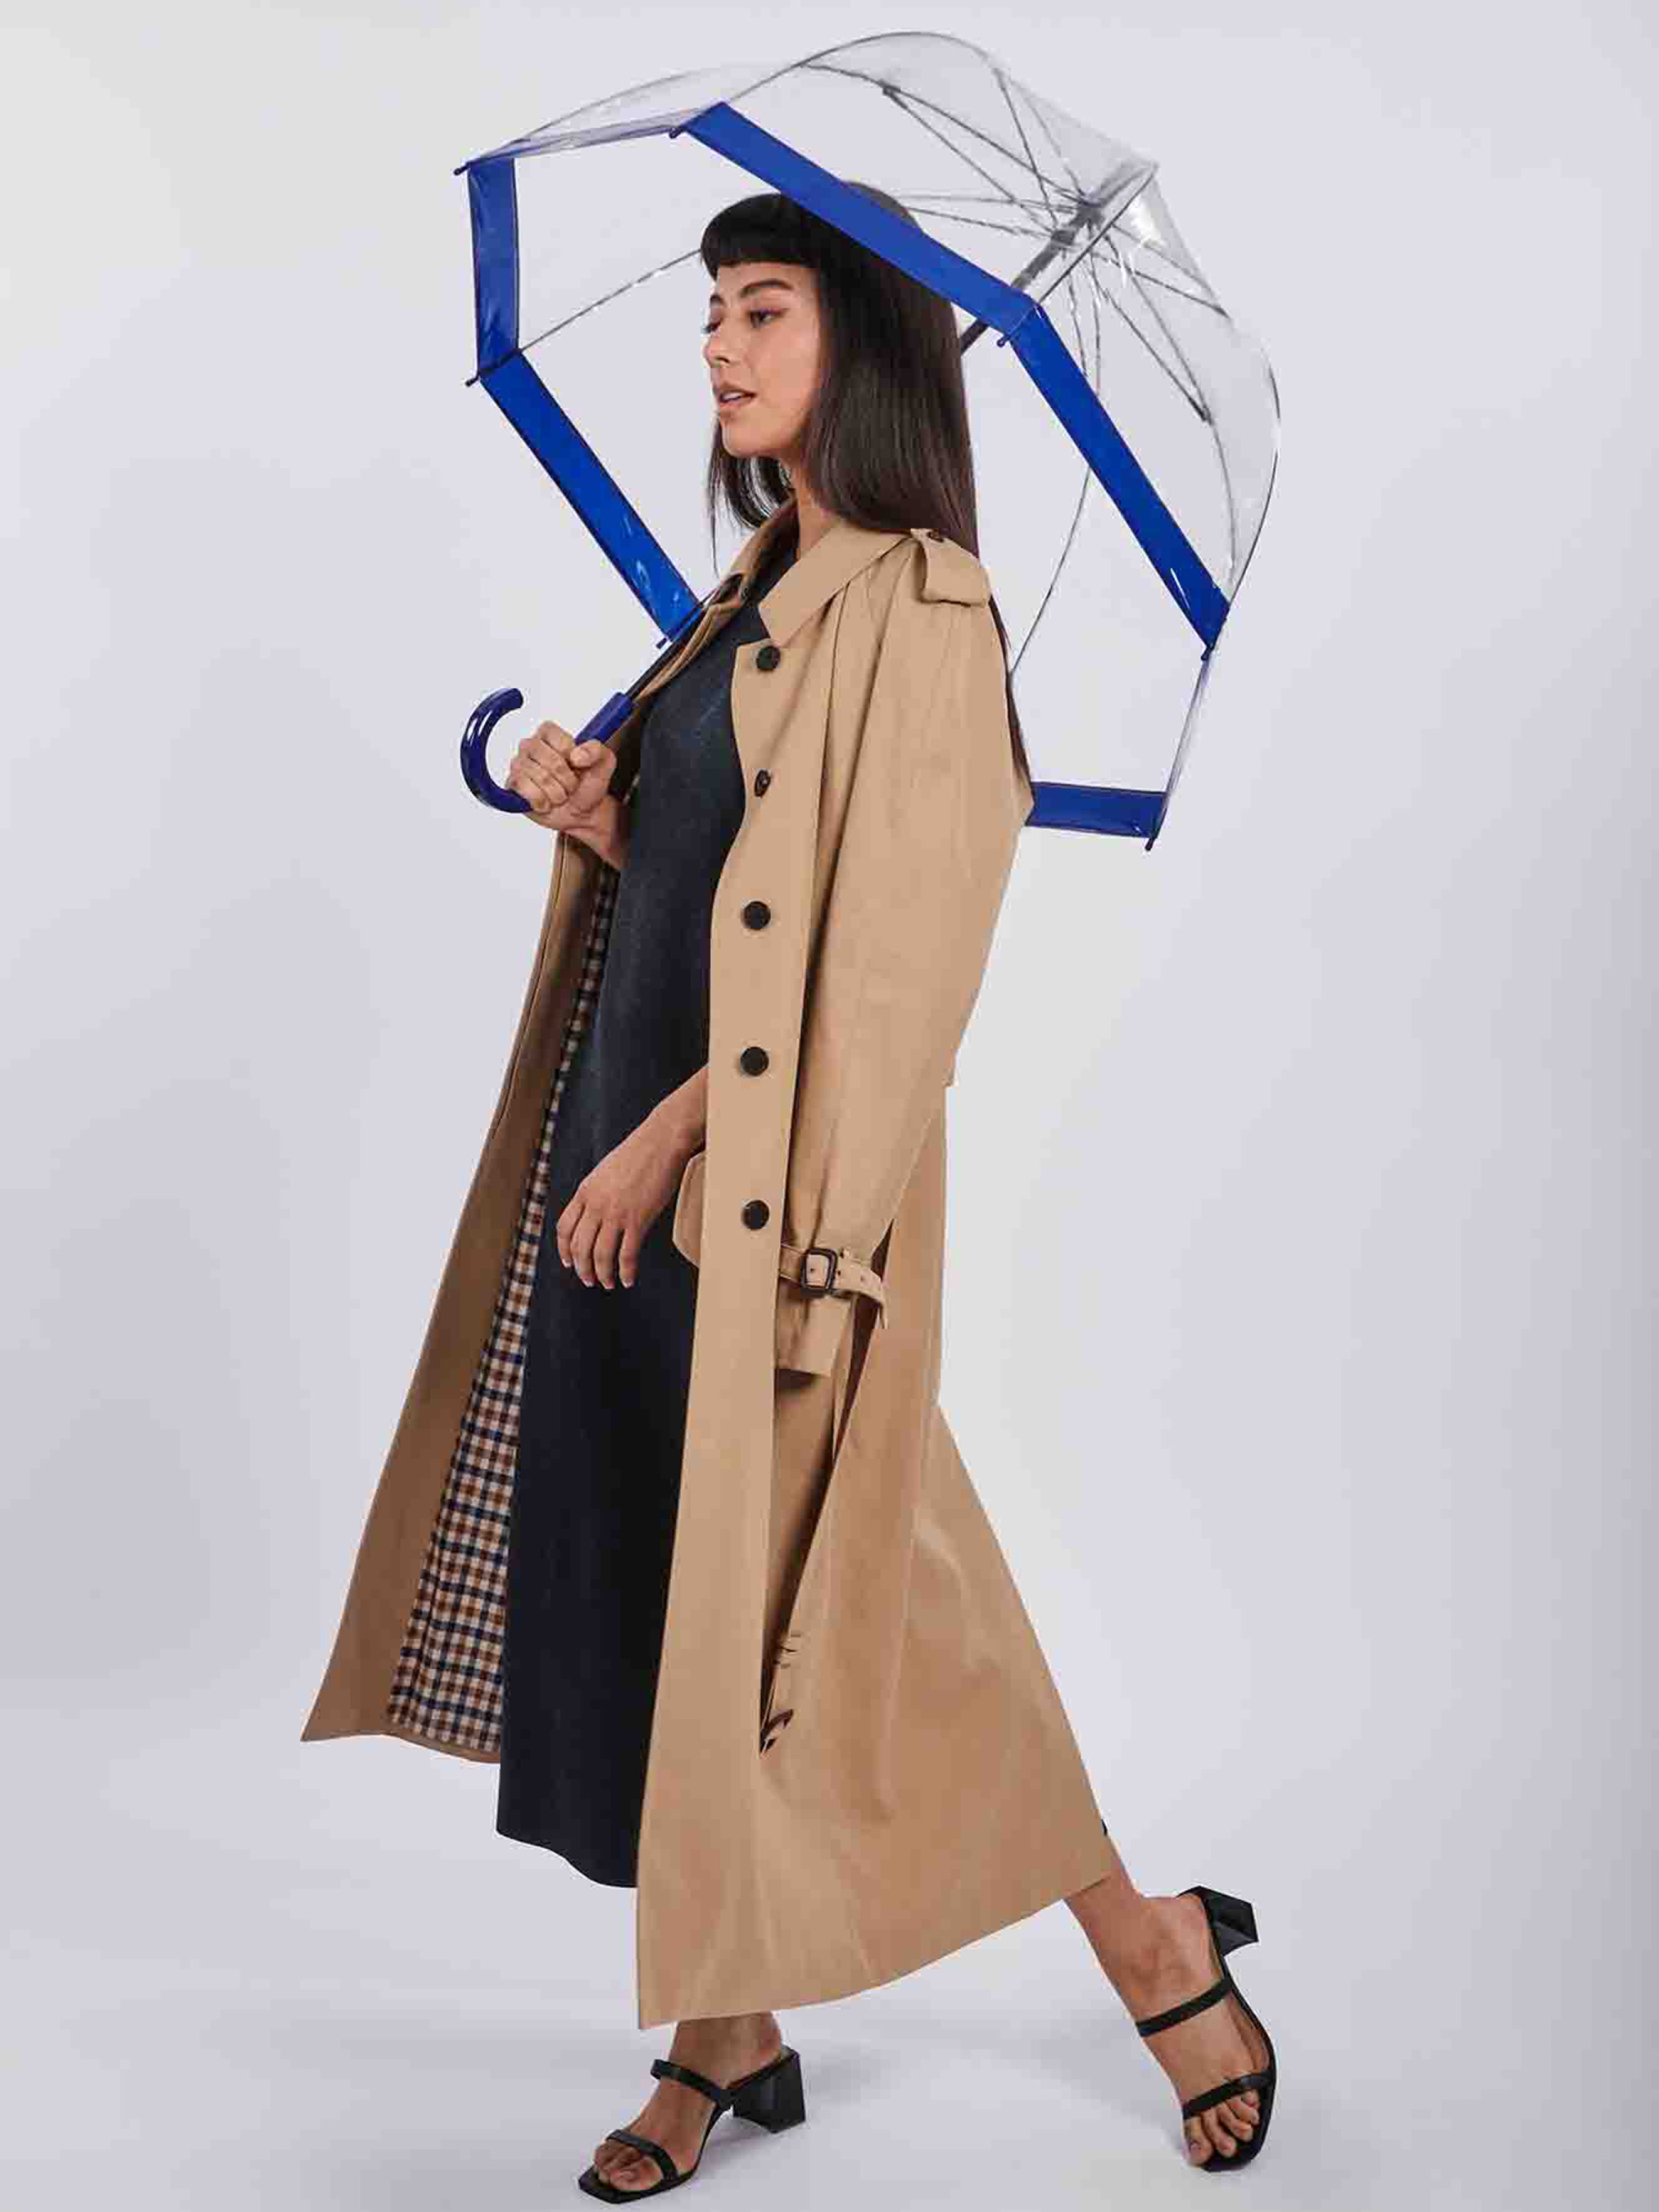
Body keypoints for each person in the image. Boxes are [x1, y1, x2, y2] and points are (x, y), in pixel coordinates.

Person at [301, 184, 1275, 2201]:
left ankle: (1147, 1944)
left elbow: (890, 979)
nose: (720, 349)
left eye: (763, 309)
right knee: (686, 1592)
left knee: (873, 1603)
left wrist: (675, 1140)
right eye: (712, 315)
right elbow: (714, 889)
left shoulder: (923, 614)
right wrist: (590, 811)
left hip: (764, 1205)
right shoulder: (751, 592)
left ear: (867, 347)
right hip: (642, 1178)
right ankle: (727, 2031)